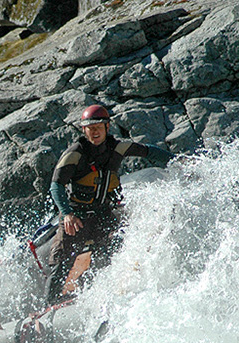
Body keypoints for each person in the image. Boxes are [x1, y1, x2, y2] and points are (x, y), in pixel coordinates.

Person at [45, 104, 174, 304]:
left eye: (99, 127)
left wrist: (178, 161)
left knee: (110, 249)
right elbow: (56, 185)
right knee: (61, 262)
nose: (95, 131)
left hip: (103, 212)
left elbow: (150, 152)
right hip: (76, 216)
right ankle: (49, 303)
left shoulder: (118, 147)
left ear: (107, 127)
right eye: (90, 127)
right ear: (83, 130)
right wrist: (67, 214)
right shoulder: (75, 154)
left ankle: (92, 292)